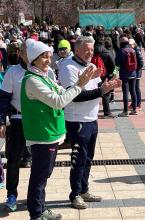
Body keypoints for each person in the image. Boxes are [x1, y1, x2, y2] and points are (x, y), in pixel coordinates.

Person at [21, 39, 96, 220]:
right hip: (41, 135)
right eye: (44, 57)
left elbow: (62, 92)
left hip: (51, 134)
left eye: (48, 56)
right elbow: (59, 101)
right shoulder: (32, 80)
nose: (49, 60)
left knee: (44, 176)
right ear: (33, 59)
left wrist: (81, 82)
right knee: (39, 177)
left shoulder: (44, 77)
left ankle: (41, 208)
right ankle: (36, 213)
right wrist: (79, 84)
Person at [58, 36, 121, 209]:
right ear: (76, 49)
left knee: (88, 158)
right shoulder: (68, 67)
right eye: (86, 50)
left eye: (92, 50)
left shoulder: (92, 66)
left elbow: (97, 88)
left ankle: (84, 189)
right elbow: (75, 95)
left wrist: (108, 86)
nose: (90, 53)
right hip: (77, 119)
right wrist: (101, 91)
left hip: (92, 118)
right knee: (78, 158)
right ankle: (75, 194)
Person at [0, 42, 33, 211]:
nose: (28, 54)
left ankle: (35, 194)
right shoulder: (12, 72)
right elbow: (4, 99)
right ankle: (11, 194)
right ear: (20, 53)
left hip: (38, 123)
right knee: (13, 160)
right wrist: (1, 122)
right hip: (18, 120)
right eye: (25, 51)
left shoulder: (45, 71)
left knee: (41, 163)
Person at [116, 36, 138, 116]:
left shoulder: (121, 51)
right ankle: (134, 109)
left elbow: (117, 64)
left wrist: (114, 73)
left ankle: (125, 111)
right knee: (133, 91)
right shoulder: (133, 50)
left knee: (125, 92)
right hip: (133, 73)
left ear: (121, 43)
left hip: (124, 74)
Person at [128, 39, 144, 110]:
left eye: (131, 44)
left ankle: (138, 104)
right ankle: (134, 103)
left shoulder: (137, 50)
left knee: (136, 88)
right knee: (133, 88)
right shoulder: (133, 50)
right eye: (129, 44)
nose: (129, 46)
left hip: (137, 72)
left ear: (134, 44)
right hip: (134, 72)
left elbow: (141, 63)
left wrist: (135, 68)